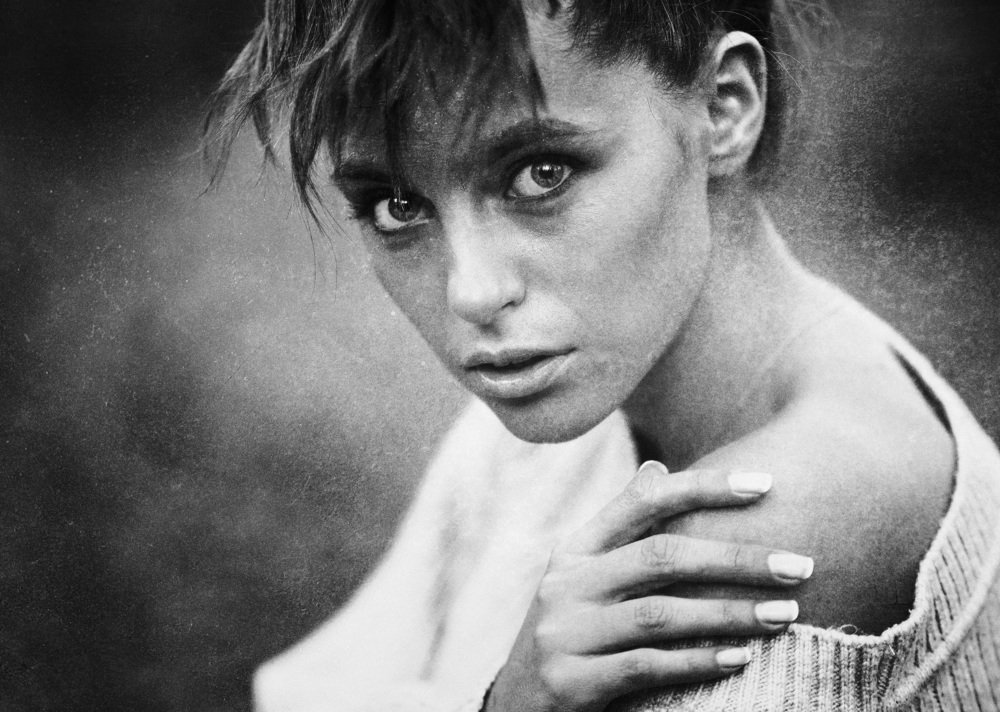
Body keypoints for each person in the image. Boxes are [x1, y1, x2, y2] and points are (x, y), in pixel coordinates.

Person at [207, 1, 1000, 710]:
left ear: (724, 106)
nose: (472, 293)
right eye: (397, 205)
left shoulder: (777, 516)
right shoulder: (561, 394)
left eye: (540, 173)